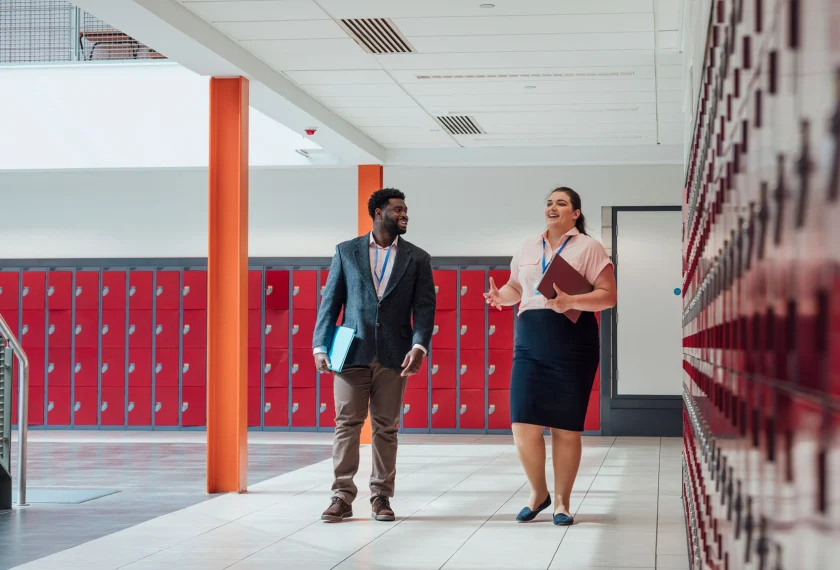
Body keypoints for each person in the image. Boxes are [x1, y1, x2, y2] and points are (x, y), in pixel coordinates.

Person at [484, 187, 617, 526]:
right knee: (522, 423)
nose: (552, 207)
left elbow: (608, 296)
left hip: (573, 341)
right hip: (530, 340)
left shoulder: (589, 247)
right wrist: (501, 295)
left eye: (561, 203)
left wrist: (572, 301)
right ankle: (538, 493)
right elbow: (517, 288)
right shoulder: (528, 245)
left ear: (575, 213)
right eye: (548, 203)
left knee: (565, 427)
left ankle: (561, 502)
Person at [313, 187, 436, 523]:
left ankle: (381, 496)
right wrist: (320, 345)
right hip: (351, 351)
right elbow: (331, 301)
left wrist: (419, 346)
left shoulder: (417, 257)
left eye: (405, 210)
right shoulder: (346, 251)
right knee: (346, 424)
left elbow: (425, 308)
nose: (404, 215)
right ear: (379, 213)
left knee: (386, 427)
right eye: (398, 209)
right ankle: (342, 496)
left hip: (396, 354)